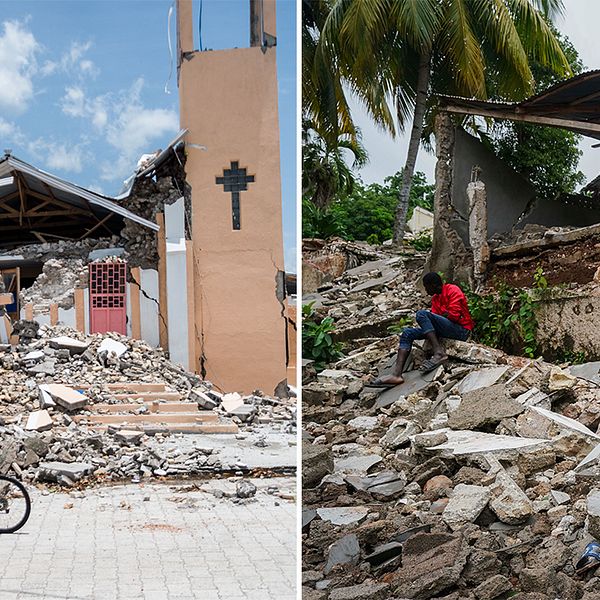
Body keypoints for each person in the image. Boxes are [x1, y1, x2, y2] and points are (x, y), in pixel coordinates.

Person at [371, 272, 474, 387]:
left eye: (426, 286)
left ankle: (438, 352)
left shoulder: (452, 290)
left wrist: (437, 318)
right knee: (407, 333)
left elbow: (454, 316)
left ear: (433, 285)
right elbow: (437, 318)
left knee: (421, 314)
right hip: (446, 328)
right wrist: (438, 318)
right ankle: (396, 375)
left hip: (461, 330)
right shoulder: (436, 298)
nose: (425, 290)